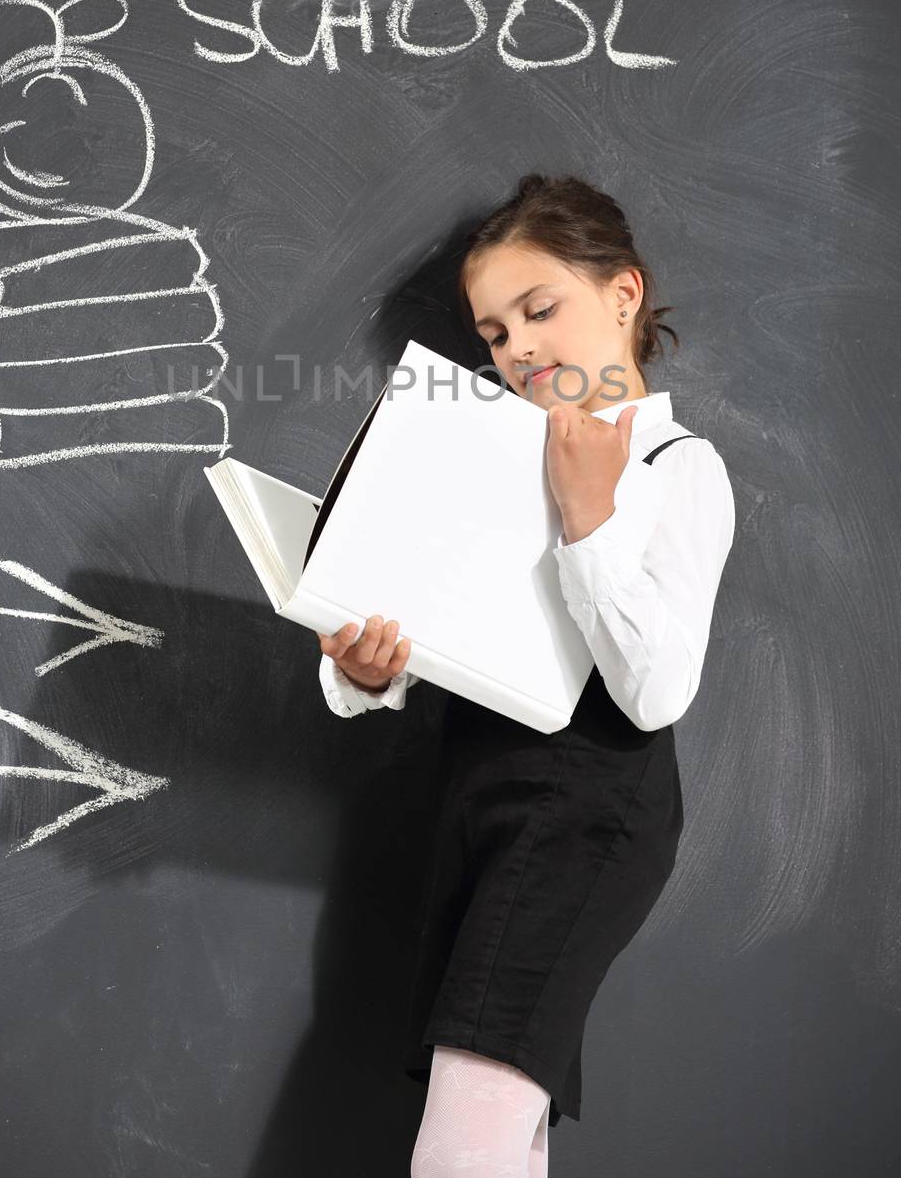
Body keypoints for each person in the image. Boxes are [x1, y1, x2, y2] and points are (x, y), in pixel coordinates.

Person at [316, 172, 737, 1176]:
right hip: (477, 800)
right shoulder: (481, 460)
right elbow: (425, 635)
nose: (518, 350)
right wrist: (365, 670)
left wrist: (588, 516)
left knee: (466, 1141)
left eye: (538, 309)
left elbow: (655, 693)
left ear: (622, 295)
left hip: (588, 810)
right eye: (495, 333)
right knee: (502, 1123)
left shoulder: (679, 465)